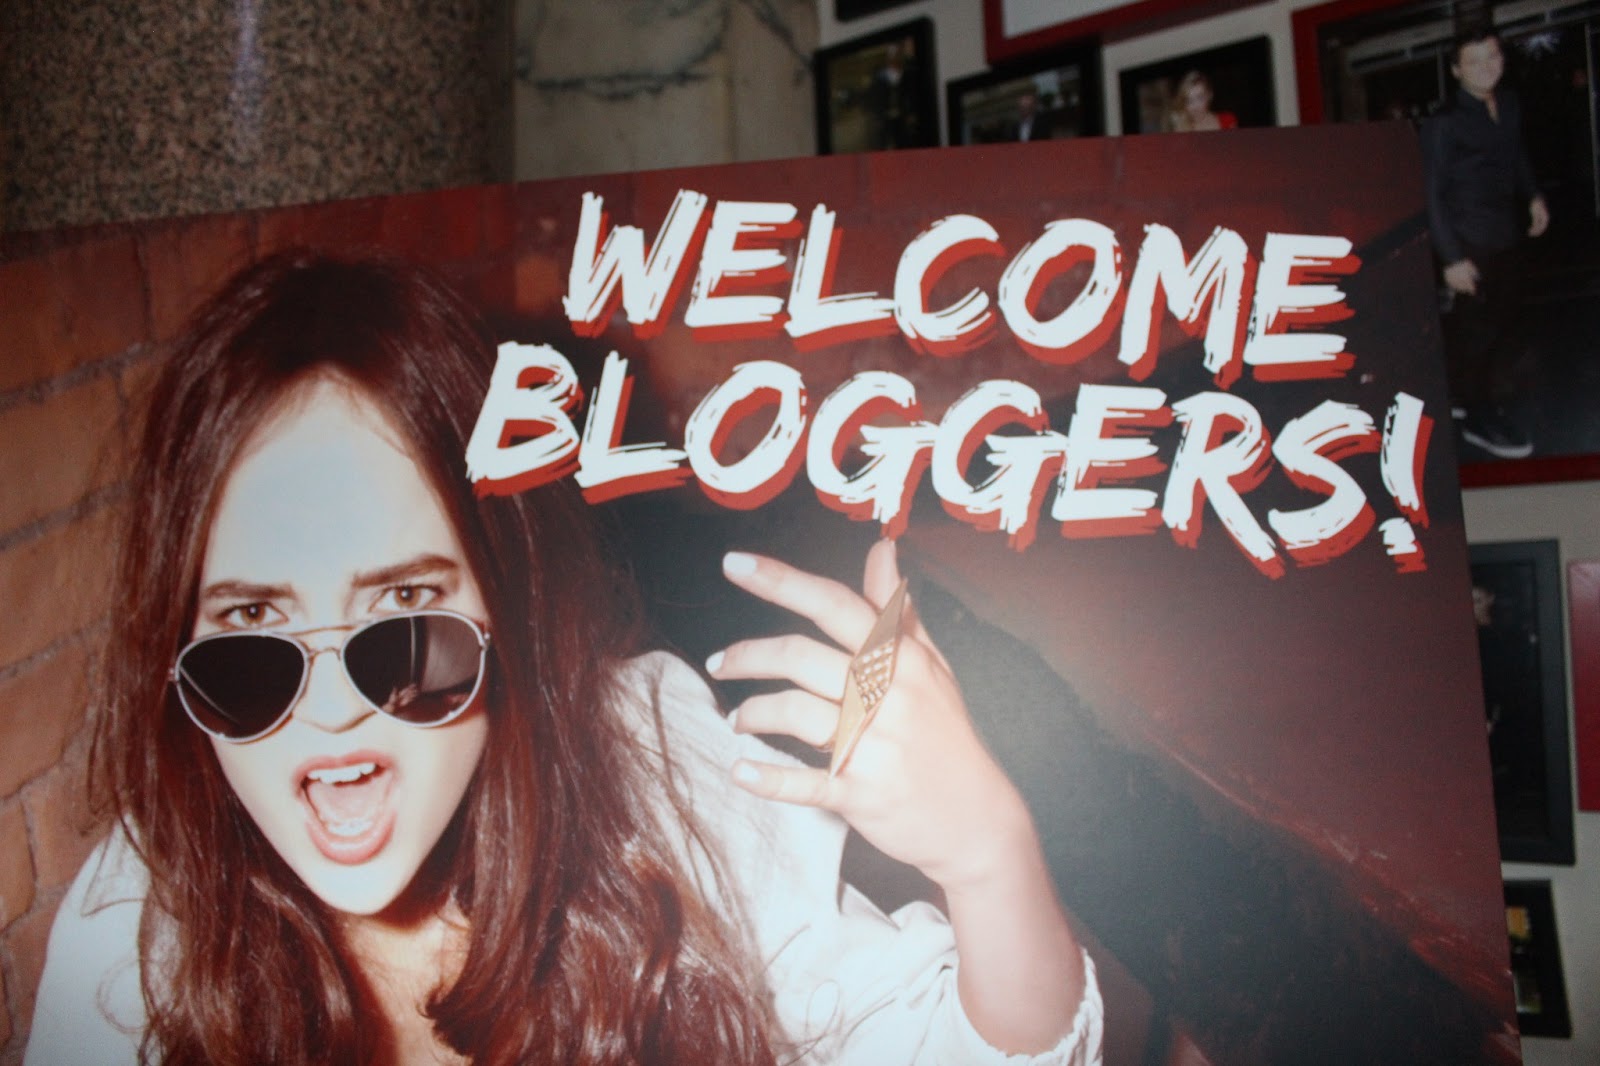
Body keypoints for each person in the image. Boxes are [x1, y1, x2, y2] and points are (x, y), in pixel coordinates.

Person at [26, 253, 1102, 1064]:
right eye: (256, 632)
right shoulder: (136, 937)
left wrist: (987, 852)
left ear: (509, 594)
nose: (334, 710)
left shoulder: (657, 777)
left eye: (405, 613)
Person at [1421, 26, 1549, 459]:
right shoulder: (1444, 123)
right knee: (1480, 336)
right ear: (1457, 71)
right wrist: (1451, 259)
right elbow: (1430, 194)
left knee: (1499, 326)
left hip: (1506, 236)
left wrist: (1533, 196)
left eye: (1492, 56)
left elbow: (1516, 155)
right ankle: (1479, 418)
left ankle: (1462, 395)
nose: (1486, 67)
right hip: (1468, 244)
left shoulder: (1508, 104)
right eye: (1473, 61)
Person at [1164, 71, 1237, 133]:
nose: (1195, 107)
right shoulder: (1181, 127)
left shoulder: (1227, 120)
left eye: (1200, 98)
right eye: (1189, 101)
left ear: (1209, 95)